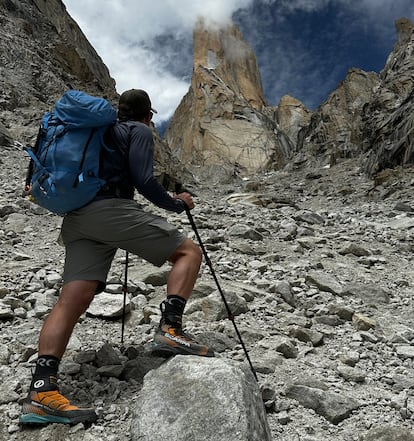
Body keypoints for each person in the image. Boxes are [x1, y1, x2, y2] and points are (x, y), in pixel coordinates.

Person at [20, 89, 214, 426]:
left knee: (72, 299)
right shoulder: (138, 131)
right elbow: (143, 179)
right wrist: (176, 203)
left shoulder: (101, 132)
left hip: (78, 218)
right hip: (110, 210)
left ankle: (42, 392)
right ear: (148, 116)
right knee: (188, 252)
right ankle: (171, 328)